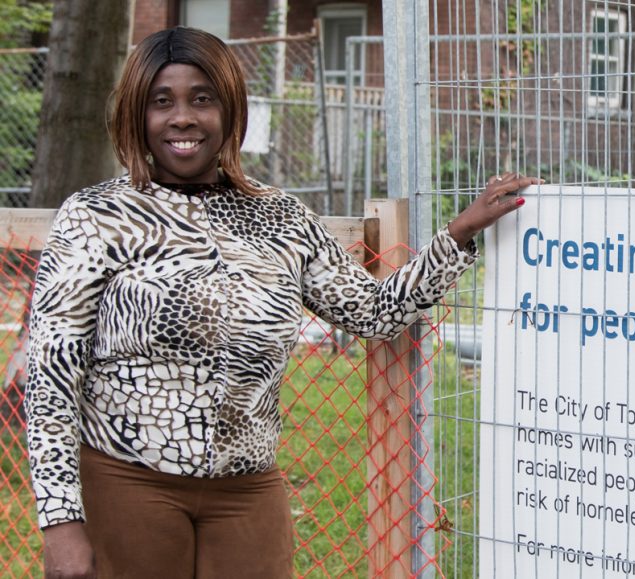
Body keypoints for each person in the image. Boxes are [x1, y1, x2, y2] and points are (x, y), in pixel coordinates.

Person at [24, 26, 540, 579]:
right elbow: (51, 371)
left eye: (202, 99)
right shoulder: (96, 214)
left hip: (248, 492)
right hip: (127, 484)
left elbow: (372, 313)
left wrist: (459, 233)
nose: (182, 118)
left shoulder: (283, 217)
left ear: (230, 109)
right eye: (161, 101)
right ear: (136, 114)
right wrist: (60, 521)